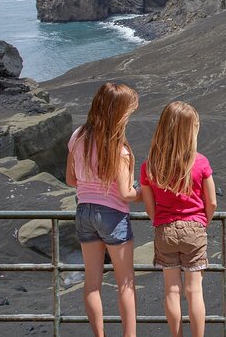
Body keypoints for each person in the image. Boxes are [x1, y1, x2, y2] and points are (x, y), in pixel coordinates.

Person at [66, 82, 142, 337]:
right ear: (118, 113)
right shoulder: (118, 149)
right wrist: (145, 193)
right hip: (112, 215)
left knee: (92, 283)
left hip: (84, 211)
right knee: (126, 283)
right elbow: (125, 193)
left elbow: (71, 179)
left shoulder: (78, 137)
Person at [140, 101, 216, 337]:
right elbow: (211, 202)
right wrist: (203, 222)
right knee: (194, 290)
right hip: (194, 228)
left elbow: (149, 205)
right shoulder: (200, 162)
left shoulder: (150, 164)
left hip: (165, 229)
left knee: (171, 290)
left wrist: (160, 221)